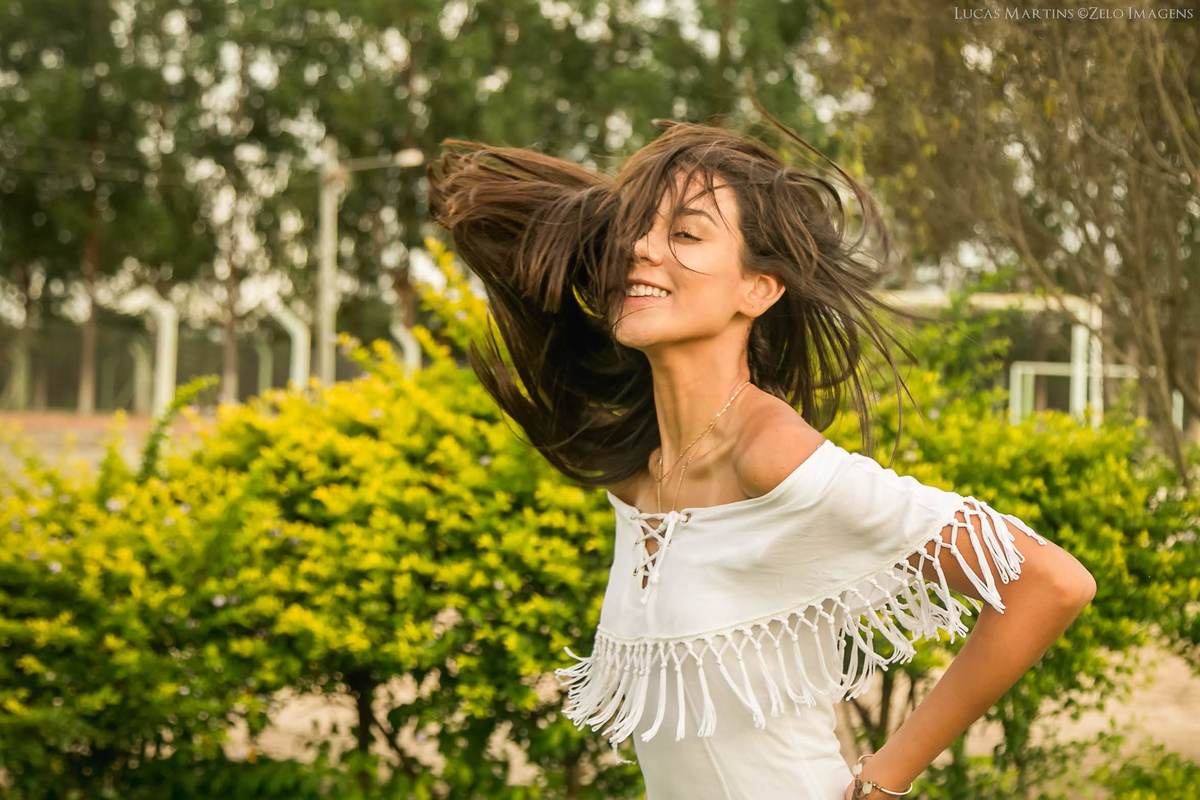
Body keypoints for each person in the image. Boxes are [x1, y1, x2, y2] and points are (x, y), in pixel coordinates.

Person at [426, 113, 1096, 799]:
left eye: (685, 234)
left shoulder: (770, 451)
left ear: (759, 288)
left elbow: (1048, 582)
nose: (640, 250)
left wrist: (882, 784)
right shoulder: (640, 471)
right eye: (635, 230)